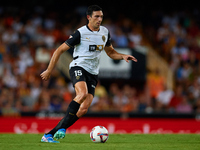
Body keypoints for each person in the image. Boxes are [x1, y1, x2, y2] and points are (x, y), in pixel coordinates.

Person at [40, 5, 137, 143]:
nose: (99, 19)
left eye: (101, 16)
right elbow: (59, 50)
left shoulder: (105, 32)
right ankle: (57, 131)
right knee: (82, 94)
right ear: (88, 17)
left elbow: (110, 52)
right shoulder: (80, 33)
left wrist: (122, 56)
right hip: (78, 66)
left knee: (84, 108)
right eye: (96, 16)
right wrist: (49, 70)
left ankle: (52, 133)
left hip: (93, 73)